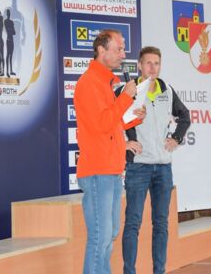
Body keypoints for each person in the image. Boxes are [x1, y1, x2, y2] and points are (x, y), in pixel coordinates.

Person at [74, 29, 146, 274]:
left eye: (123, 49)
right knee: (100, 236)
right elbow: (101, 124)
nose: (123, 54)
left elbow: (112, 123)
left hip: (112, 169)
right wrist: (125, 98)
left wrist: (135, 117)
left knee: (109, 234)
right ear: (101, 50)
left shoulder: (105, 83)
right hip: (98, 170)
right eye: (118, 49)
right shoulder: (89, 83)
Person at [121, 46, 191, 274]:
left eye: (157, 63)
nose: (153, 68)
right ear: (139, 65)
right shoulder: (128, 90)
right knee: (133, 224)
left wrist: (176, 138)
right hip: (138, 167)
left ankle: (159, 271)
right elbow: (111, 121)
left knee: (161, 224)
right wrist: (124, 144)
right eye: (148, 63)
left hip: (163, 168)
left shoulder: (166, 90)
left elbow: (185, 116)